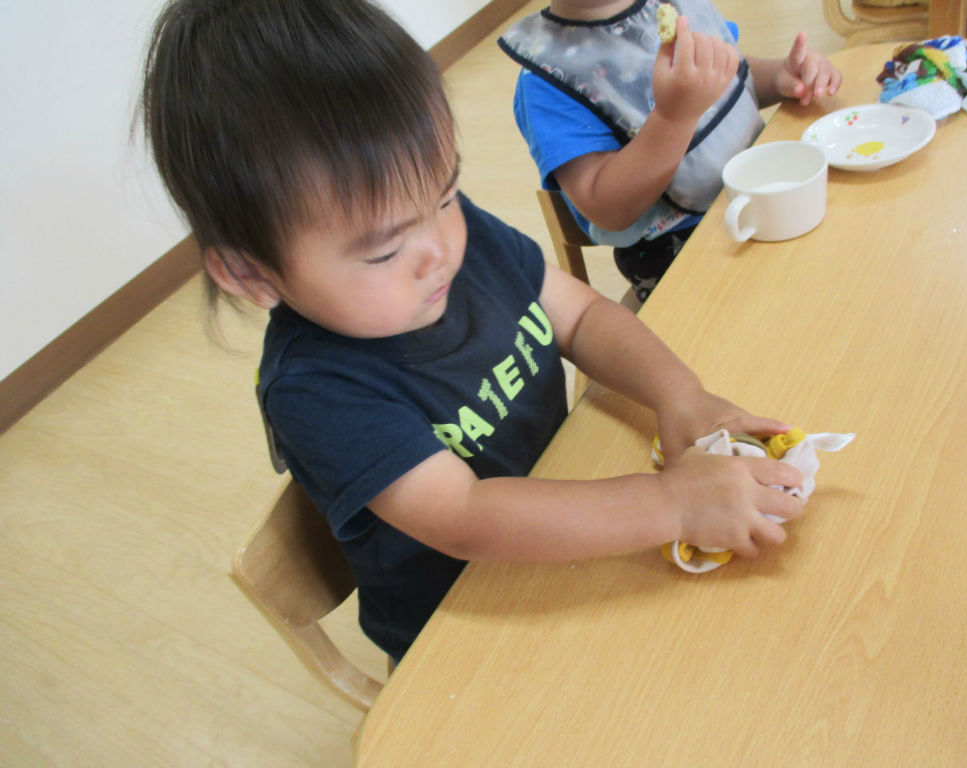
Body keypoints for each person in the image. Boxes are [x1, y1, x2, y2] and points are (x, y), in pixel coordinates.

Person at [140, 0, 804, 663]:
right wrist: (672, 505)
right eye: (384, 251)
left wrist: (678, 394)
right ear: (251, 273)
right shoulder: (315, 390)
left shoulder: (447, 239)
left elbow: (580, 316)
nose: (439, 250)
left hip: (575, 509)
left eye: (445, 196)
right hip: (466, 624)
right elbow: (465, 517)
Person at [499, 0, 843, 300]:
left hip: (766, 187)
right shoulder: (546, 80)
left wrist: (781, 76)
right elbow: (608, 209)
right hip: (678, 247)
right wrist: (673, 118)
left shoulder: (673, 7)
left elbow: (729, 78)